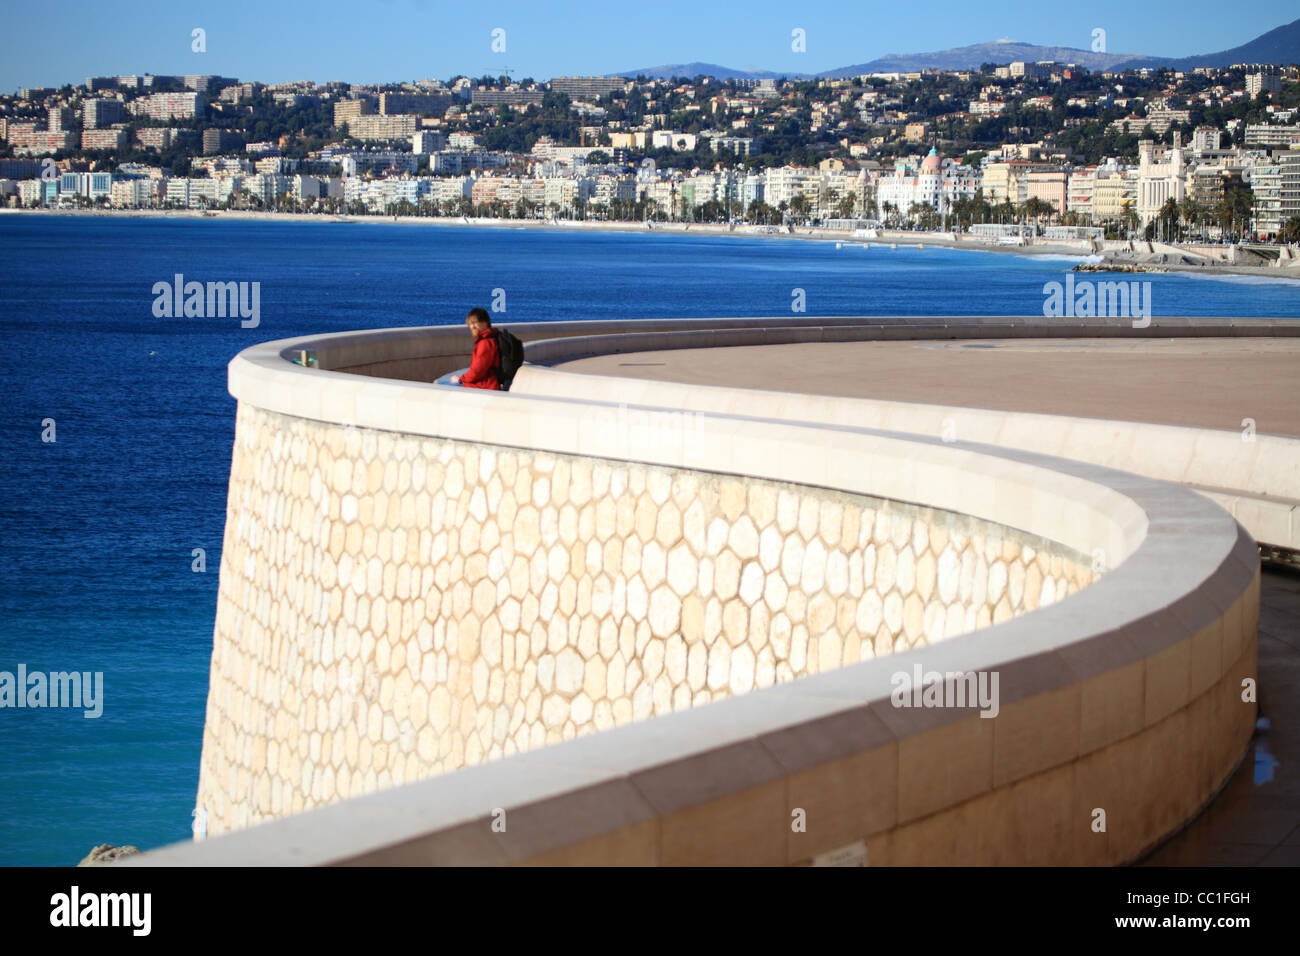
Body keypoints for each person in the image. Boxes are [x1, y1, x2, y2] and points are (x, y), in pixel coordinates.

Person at [449, 307, 500, 390]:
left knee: (442, 386)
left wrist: (460, 379)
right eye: (470, 324)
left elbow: (478, 371)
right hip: (487, 384)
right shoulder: (492, 337)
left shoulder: (485, 343)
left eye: (475, 323)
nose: (472, 327)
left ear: (485, 322)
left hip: (483, 386)